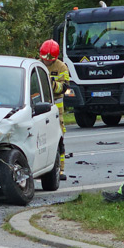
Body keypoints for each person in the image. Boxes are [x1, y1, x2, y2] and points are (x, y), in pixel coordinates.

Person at [40, 39, 70, 180]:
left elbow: (64, 87)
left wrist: (50, 84)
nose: (46, 62)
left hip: (56, 109)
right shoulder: (37, 65)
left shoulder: (62, 67)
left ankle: (60, 170)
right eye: (44, 59)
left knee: (59, 138)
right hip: (39, 106)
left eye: (49, 60)